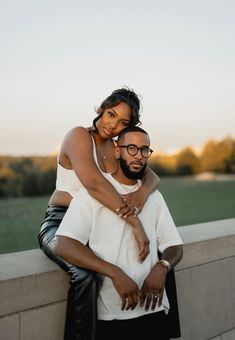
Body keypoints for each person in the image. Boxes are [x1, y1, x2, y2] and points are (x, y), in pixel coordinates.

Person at [38, 87, 160, 340]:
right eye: (111, 114)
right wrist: (135, 224)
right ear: (102, 110)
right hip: (61, 223)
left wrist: (141, 194)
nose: (113, 125)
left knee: (155, 260)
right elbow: (94, 183)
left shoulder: (117, 148)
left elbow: (151, 175)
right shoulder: (79, 136)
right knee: (86, 276)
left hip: (99, 226)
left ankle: (160, 329)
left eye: (123, 122)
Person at [54, 126, 183, 340]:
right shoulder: (91, 195)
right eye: (131, 148)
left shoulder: (153, 197)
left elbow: (174, 245)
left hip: (155, 310)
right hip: (112, 315)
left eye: (144, 150)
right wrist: (115, 273)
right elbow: (64, 244)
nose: (139, 156)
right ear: (116, 151)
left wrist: (162, 267)